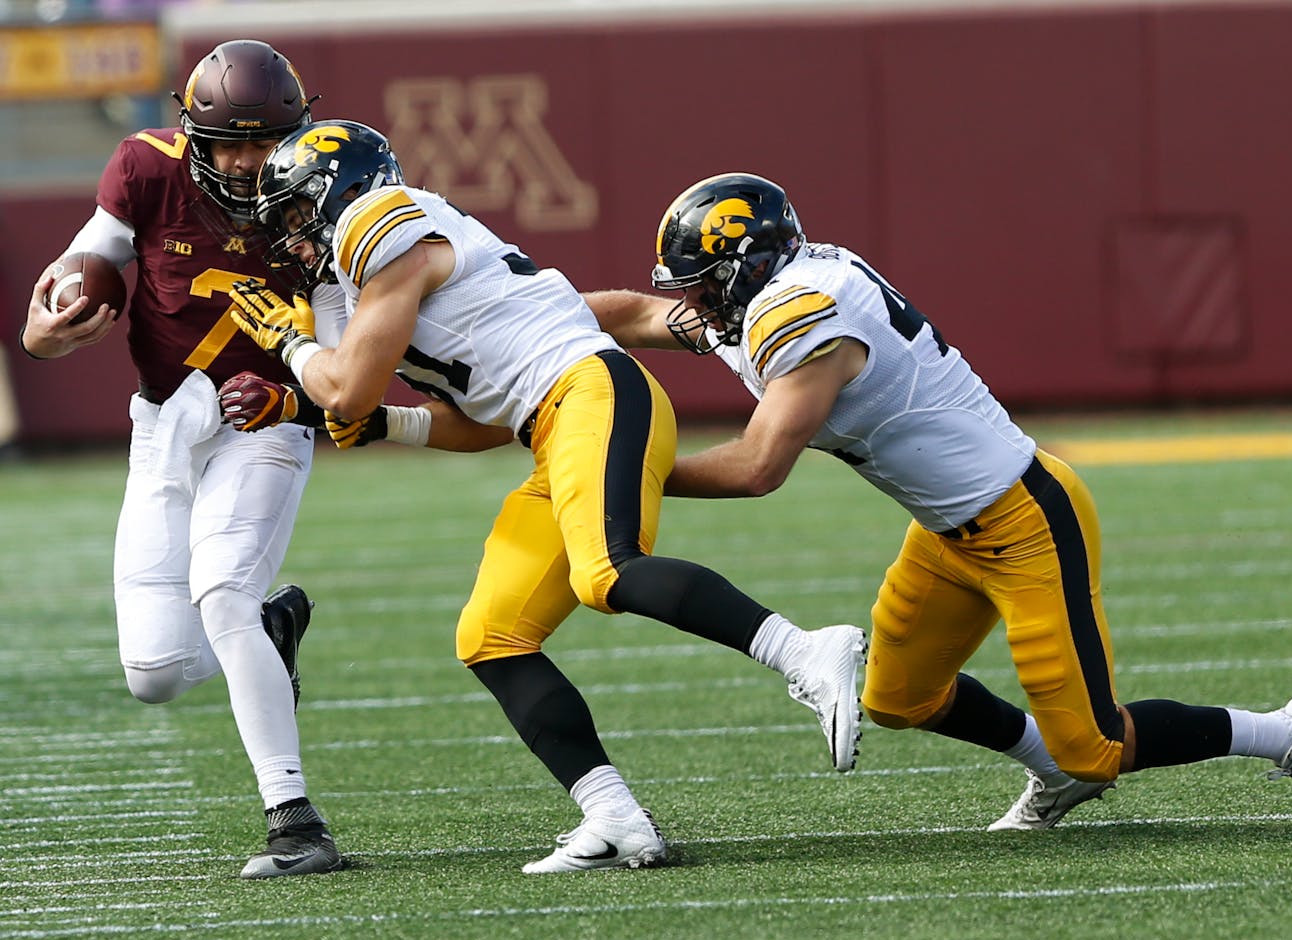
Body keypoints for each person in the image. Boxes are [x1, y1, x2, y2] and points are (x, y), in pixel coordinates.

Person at [583, 171, 1292, 830]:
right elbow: (637, 313)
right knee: (898, 697)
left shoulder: (806, 317)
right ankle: (1052, 772)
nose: (689, 304)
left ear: (743, 268)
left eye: (700, 284)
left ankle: (1286, 731)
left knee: (1099, 743)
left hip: (1026, 516)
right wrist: (531, 328)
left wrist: (628, 469)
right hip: (947, 532)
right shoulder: (765, 294)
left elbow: (760, 465)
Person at [222, 120, 867, 873]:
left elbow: (348, 386)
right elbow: (484, 420)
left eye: (300, 216)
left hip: (593, 391)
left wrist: (292, 346)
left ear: (344, 193)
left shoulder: (378, 218)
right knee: (492, 634)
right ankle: (614, 815)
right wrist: (376, 418)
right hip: (553, 422)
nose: (295, 240)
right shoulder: (375, 276)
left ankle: (806, 650)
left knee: (608, 571)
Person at [18, 40, 344, 878]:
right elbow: (93, 254)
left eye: (262, 141)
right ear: (190, 132)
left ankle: (294, 818)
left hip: (266, 419)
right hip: (164, 426)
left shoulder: (327, 184)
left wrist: (308, 399)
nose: (243, 161)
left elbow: (348, 355)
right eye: (227, 141)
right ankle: (273, 631)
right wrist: (44, 327)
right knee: (155, 672)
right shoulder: (146, 168)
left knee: (222, 589)